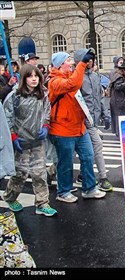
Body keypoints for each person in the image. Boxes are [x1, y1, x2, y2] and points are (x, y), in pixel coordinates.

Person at [48, 51, 106, 203]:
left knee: (88, 156)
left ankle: (89, 188)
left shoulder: (70, 77)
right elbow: (72, 84)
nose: (72, 63)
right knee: (66, 162)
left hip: (79, 127)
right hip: (62, 129)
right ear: (60, 64)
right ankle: (64, 191)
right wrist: (82, 64)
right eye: (68, 60)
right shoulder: (54, 81)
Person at [2, 64, 57, 216]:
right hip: (21, 141)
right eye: (30, 76)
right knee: (20, 173)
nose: (34, 79)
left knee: (40, 174)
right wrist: (13, 137)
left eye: (36, 76)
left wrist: (46, 126)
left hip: (37, 142)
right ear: (24, 78)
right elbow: (7, 117)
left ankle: (42, 203)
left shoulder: (43, 94)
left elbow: (47, 112)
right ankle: (10, 196)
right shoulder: (15, 96)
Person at [73, 48, 113, 192]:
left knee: (87, 151)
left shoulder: (96, 76)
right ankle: (103, 177)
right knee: (97, 147)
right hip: (83, 120)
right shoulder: (76, 77)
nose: (89, 61)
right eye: (86, 58)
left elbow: (100, 97)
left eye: (91, 59)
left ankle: (83, 175)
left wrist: (105, 114)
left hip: (94, 120)